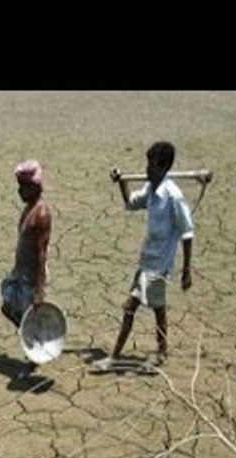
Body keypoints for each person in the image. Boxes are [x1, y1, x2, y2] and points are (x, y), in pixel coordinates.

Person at [94, 141, 194, 371]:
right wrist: (122, 181)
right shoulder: (151, 189)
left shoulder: (173, 196)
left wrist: (187, 271)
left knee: (132, 306)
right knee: (156, 310)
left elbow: (187, 233)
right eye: (147, 164)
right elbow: (130, 203)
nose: (147, 169)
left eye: (152, 166)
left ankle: (115, 357)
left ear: (164, 167)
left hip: (160, 265)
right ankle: (161, 352)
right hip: (146, 261)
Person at [1, 160, 51, 377]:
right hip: (21, 273)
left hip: (32, 278)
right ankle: (35, 341)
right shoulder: (29, 208)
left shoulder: (41, 214)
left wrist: (39, 290)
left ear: (35, 187)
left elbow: (42, 254)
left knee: (28, 318)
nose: (19, 191)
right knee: (8, 307)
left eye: (23, 186)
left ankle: (33, 359)